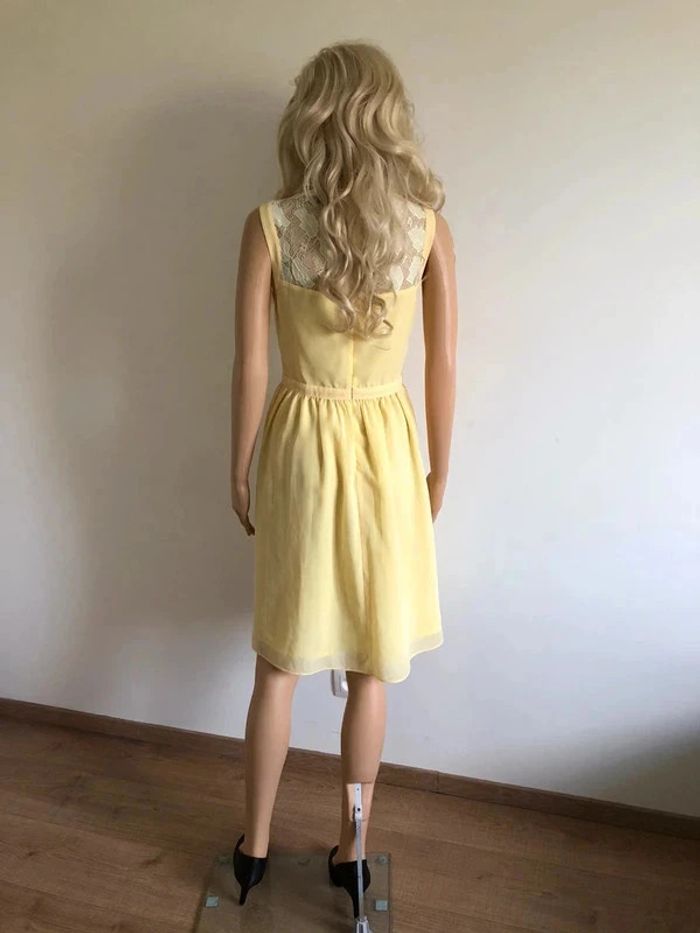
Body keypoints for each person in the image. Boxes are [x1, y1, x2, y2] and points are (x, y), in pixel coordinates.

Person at [229, 40, 457, 919]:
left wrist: (239, 462)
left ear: (310, 118)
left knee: (278, 663)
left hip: (299, 439)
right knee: (371, 665)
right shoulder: (426, 228)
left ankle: (253, 848)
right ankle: (354, 853)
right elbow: (442, 364)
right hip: (388, 448)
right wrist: (440, 465)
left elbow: (251, 363)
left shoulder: (271, 226)